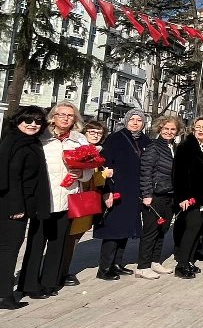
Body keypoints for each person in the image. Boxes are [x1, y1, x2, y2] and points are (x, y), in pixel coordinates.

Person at [0, 106, 50, 312]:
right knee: (9, 249)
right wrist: (17, 206)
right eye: (28, 120)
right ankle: (3, 295)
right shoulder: (20, 144)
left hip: (1, 204)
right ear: (18, 121)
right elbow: (13, 177)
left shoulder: (15, 140)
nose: (33, 125)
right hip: (13, 205)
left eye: (38, 122)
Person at [18, 101, 92, 299]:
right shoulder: (42, 137)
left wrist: (81, 174)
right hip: (44, 197)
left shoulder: (80, 140)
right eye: (62, 114)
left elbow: (89, 171)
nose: (66, 118)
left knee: (58, 242)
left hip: (67, 197)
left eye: (70, 115)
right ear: (53, 116)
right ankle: (29, 283)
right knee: (36, 241)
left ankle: (51, 281)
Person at [96, 109, 150, 280]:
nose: (135, 123)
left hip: (134, 191)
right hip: (118, 189)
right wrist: (108, 191)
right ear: (126, 121)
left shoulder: (146, 141)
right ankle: (104, 267)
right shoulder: (115, 138)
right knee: (113, 229)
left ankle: (117, 263)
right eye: (132, 119)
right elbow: (105, 165)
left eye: (139, 120)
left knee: (126, 228)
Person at [171, 117, 203, 279]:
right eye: (198, 127)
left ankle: (189, 261)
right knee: (191, 229)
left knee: (199, 230)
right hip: (193, 196)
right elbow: (178, 174)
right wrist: (184, 197)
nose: (201, 130)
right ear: (193, 129)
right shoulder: (186, 147)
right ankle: (181, 264)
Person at [60, 119, 111, 286]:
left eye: (99, 133)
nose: (95, 135)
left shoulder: (98, 153)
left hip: (88, 201)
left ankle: (62, 269)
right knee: (69, 239)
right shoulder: (78, 151)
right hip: (76, 199)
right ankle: (62, 272)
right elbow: (87, 178)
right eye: (92, 132)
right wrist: (103, 175)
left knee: (75, 238)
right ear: (84, 133)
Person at [136, 115, 182, 279]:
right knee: (151, 231)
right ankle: (143, 266)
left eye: (172, 129)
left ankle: (155, 261)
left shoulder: (175, 147)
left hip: (169, 194)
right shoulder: (153, 147)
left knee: (163, 229)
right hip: (155, 195)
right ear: (159, 129)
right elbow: (145, 172)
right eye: (166, 129)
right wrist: (147, 194)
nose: (169, 132)